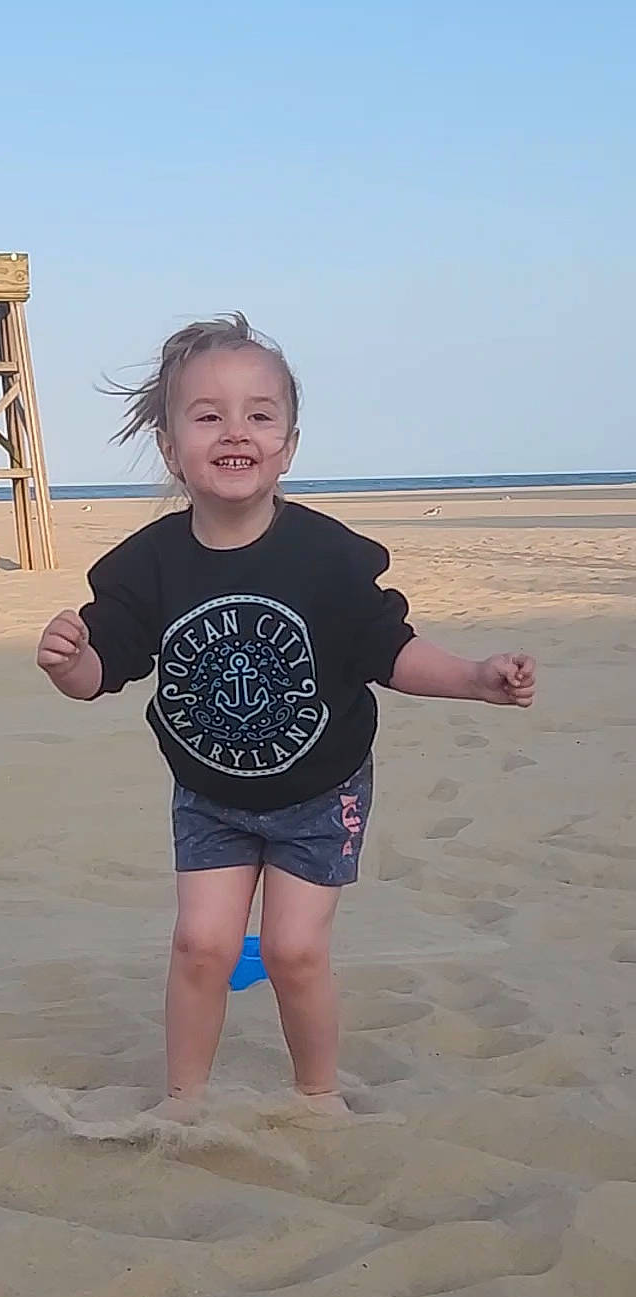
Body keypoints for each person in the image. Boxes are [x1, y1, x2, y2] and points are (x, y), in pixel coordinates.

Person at [36, 313, 536, 1117]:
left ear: (289, 446)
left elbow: (388, 648)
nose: (237, 432)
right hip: (210, 795)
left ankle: (318, 1095)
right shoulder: (149, 565)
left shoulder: (326, 558)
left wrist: (475, 678)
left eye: (260, 415)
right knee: (202, 945)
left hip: (319, 791)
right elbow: (108, 665)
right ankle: (183, 1103)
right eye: (208, 415)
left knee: (296, 950)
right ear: (171, 448)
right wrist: (71, 663)